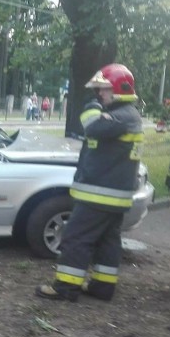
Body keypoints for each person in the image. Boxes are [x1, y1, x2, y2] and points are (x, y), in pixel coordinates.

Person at [35, 64, 143, 302]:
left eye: (102, 90)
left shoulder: (120, 116)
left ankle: (65, 287)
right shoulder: (126, 114)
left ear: (118, 89)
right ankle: (102, 287)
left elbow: (92, 127)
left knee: (76, 237)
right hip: (112, 195)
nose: (99, 95)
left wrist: (91, 107)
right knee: (107, 240)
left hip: (99, 194)